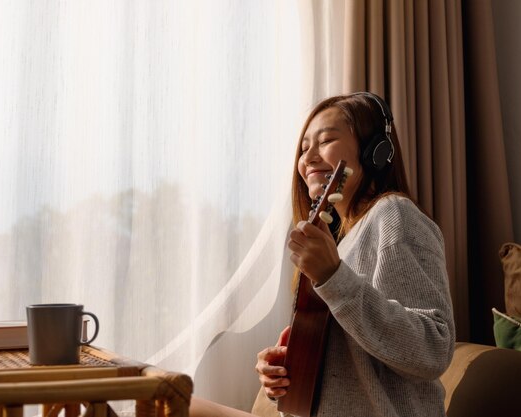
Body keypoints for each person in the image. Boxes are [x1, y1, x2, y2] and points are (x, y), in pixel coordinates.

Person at [190, 92, 455, 417]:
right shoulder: (340, 244)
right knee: (170, 402)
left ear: (376, 152)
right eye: (303, 149)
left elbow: (432, 350)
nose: (309, 158)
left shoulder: (393, 215)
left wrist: (333, 276)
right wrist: (285, 372)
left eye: (326, 140)